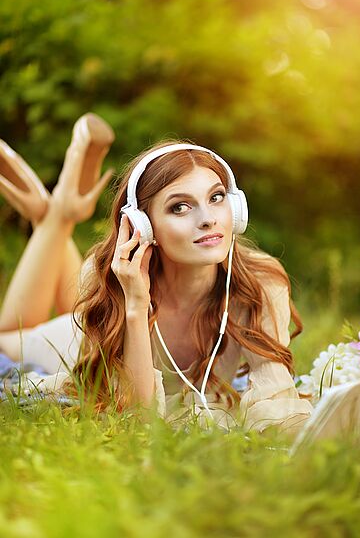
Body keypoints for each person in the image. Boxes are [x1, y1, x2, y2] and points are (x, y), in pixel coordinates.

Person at [0, 115, 314, 435]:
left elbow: (278, 403)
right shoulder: (112, 279)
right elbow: (138, 417)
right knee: (7, 338)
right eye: (180, 207)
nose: (208, 219)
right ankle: (58, 215)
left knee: (83, 277)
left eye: (216, 197)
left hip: (97, 307)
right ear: (143, 226)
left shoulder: (260, 282)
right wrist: (136, 304)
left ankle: (52, 213)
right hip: (76, 340)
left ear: (236, 207)